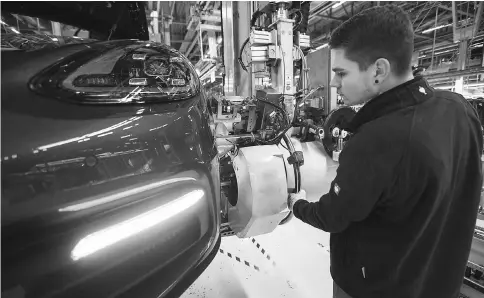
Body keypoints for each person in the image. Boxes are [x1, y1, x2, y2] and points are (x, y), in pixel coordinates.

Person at [287, 4, 483, 298]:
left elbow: (334, 216)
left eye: (341, 72)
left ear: (378, 70)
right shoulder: (459, 109)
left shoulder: (374, 141)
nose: (333, 82)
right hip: (441, 282)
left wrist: (298, 205)